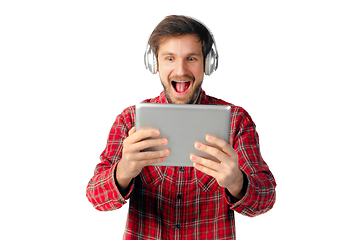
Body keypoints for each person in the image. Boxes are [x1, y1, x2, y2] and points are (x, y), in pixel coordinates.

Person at [86, 15, 276, 239]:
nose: (180, 70)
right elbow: (96, 198)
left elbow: (265, 199)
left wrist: (236, 181)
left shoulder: (236, 121)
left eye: (191, 58)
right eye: (169, 58)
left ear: (208, 63)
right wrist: (124, 171)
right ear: (154, 62)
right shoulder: (130, 120)